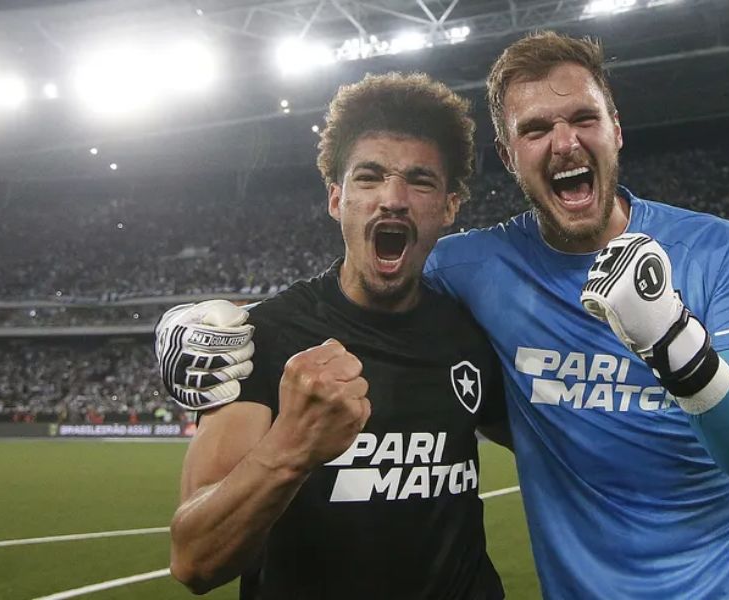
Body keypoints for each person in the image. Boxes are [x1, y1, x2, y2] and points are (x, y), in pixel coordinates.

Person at [161, 32, 729, 599]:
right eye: (535, 128)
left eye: (584, 118)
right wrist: (198, 322)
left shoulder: (716, 250)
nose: (564, 141)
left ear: (616, 130)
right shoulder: (465, 271)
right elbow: (194, 558)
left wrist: (673, 339)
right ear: (509, 153)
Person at [155, 72, 508, 599]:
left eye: (421, 180)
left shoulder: (473, 331)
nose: (393, 199)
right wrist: (293, 447)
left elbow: (561, 440)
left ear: (450, 206)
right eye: (369, 177)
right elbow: (195, 560)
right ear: (336, 198)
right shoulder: (267, 336)